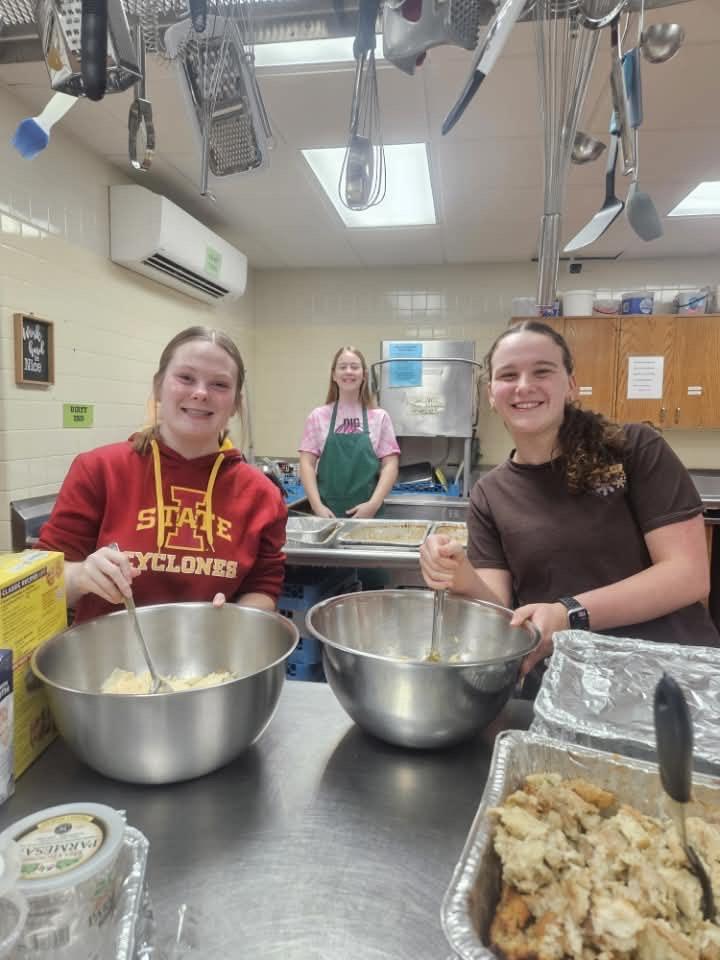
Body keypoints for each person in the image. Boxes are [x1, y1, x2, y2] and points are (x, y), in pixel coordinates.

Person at [420, 320, 719, 679]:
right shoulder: (490, 493)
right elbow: (500, 614)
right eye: (508, 375)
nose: (524, 386)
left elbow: (687, 575)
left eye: (542, 371)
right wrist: (461, 575)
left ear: (571, 385)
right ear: (491, 395)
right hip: (566, 682)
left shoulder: (632, 449)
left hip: (670, 676)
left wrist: (570, 614)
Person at [38, 326, 287, 624]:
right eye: (186, 378)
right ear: (158, 387)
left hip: (213, 651)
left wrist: (238, 617)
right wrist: (80, 576)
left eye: (219, 384)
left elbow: (263, 588)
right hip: (108, 651)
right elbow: (43, 584)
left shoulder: (261, 494)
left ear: (235, 403)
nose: (200, 393)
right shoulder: (99, 470)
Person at [299, 346, 400, 519]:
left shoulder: (379, 417)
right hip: (328, 515)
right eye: (342, 367)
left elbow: (390, 465)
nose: (348, 371)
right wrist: (317, 506)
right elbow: (306, 464)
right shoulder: (318, 416)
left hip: (369, 517)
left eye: (354, 367)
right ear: (333, 375)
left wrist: (373, 505)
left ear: (364, 374)